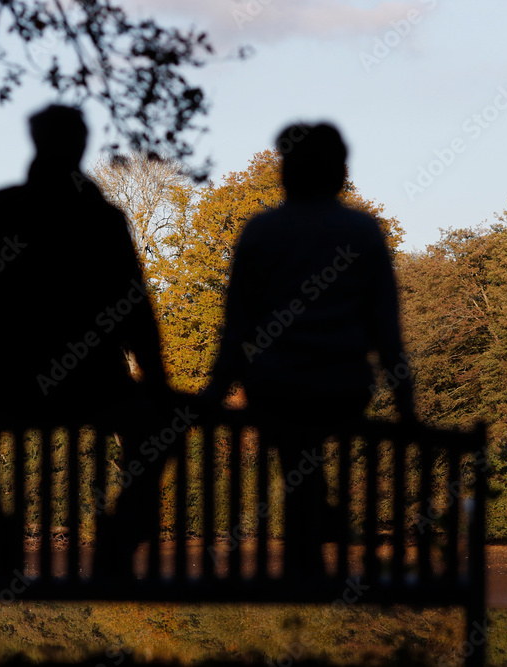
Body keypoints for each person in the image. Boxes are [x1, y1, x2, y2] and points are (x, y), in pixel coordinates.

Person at [0, 104, 169, 569]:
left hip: (12, 382)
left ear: (35, 142)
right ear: (82, 146)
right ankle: (120, 540)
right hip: (98, 383)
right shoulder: (103, 219)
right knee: (157, 431)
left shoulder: (0, 208)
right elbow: (137, 314)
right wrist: (159, 385)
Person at [203, 122, 415, 579]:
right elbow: (386, 332)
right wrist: (406, 410)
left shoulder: (261, 232)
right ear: (339, 172)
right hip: (344, 388)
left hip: (273, 388)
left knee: (294, 436)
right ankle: (315, 525)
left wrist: (212, 398)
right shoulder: (361, 232)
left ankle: (312, 530)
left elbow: (236, 330)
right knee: (307, 440)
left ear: (286, 173)